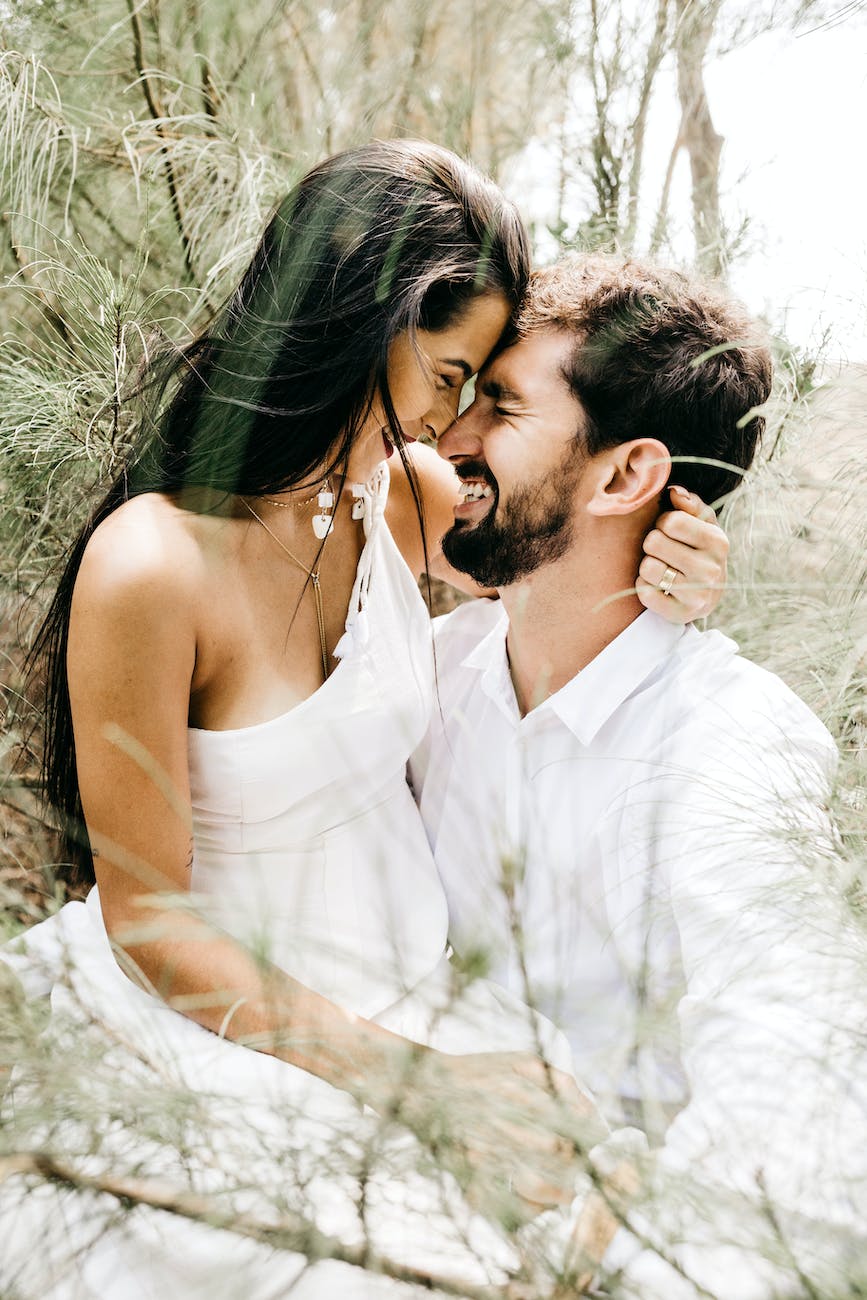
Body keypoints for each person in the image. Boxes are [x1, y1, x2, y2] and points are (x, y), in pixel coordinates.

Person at [1, 144, 728, 1297]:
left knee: (638, 1233)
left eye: (476, 386)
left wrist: (681, 555)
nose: (452, 429)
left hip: (419, 987)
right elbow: (149, 919)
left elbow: (568, 547)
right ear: (348, 325)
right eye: (447, 376)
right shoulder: (151, 566)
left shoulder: (402, 499)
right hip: (232, 1027)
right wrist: (420, 1087)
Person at [410, 253, 867, 1298]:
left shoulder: (731, 743)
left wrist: (604, 1257)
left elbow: (796, 1112)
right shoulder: (430, 680)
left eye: (503, 407)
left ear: (625, 475)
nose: (455, 436)